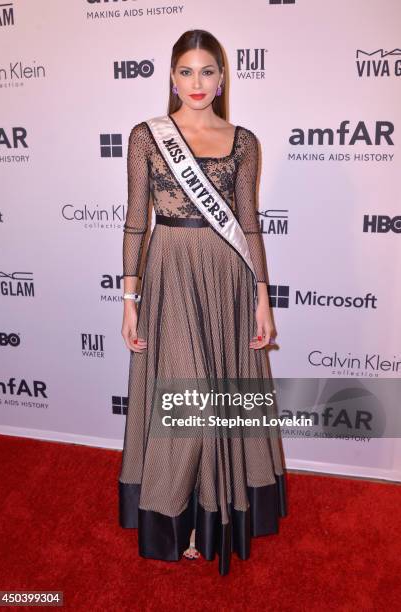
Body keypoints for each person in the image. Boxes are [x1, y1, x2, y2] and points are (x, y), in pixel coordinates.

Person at [118, 29, 288, 576]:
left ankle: (213, 513)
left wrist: (262, 298)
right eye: (186, 72)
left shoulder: (244, 141)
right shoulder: (147, 136)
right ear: (172, 78)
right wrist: (128, 297)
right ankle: (179, 516)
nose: (197, 83)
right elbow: (136, 221)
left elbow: (251, 226)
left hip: (227, 278)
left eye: (207, 71)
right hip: (169, 273)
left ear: (222, 79)